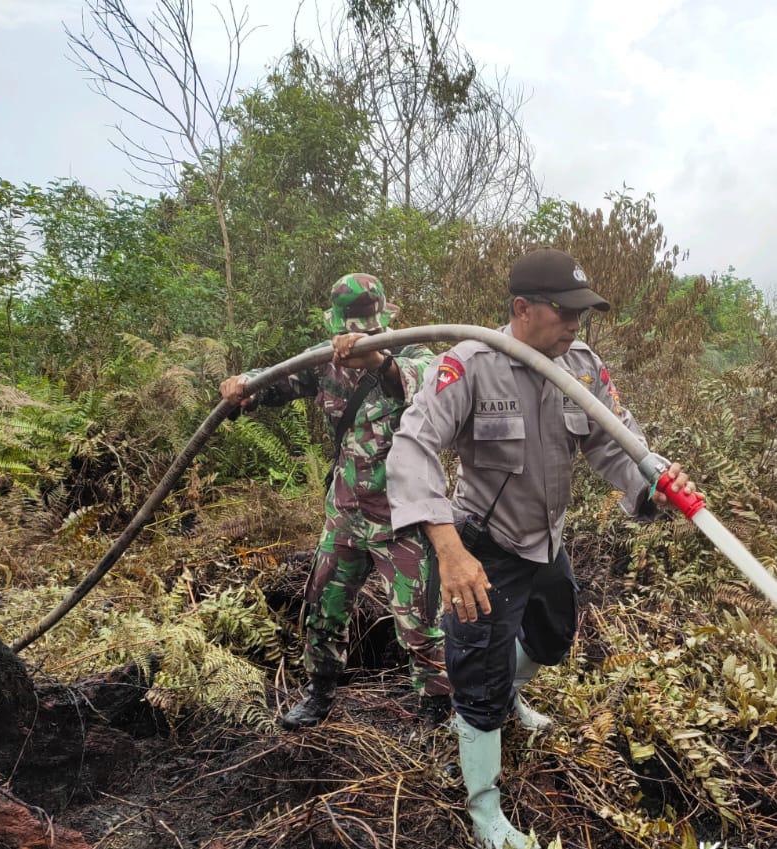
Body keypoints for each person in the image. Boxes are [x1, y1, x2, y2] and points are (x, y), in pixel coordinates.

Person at [385, 248, 697, 849]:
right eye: (564, 311)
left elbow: (614, 442)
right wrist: (449, 551)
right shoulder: (468, 365)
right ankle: (485, 814)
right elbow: (410, 450)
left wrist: (654, 485)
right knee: (476, 678)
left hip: (544, 541)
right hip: (485, 547)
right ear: (522, 308)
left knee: (553, 638)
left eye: (582, 312)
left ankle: (510, 695)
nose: (576, 324)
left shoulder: (579, 365)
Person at [219, 273, 451, 730]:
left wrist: (378, 361)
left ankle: (436, 712)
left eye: (365, 328)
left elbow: (426, 382)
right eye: (349, 329)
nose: (352, 337)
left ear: (385, 321)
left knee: (419, 625)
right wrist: (243, 386)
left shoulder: (413, 355)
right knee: (323, 607)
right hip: (345, 515)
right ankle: (319, 693)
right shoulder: (325, 361)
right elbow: (274, 383)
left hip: (402, 519)